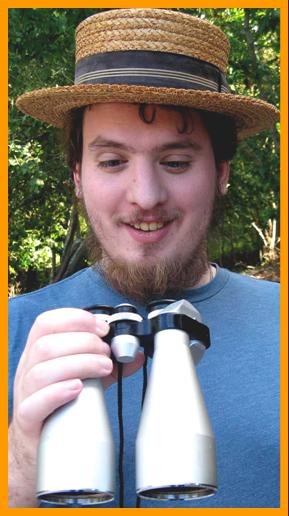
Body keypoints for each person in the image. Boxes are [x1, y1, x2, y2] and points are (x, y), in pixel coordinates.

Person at [9, 8, 280, 509]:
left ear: (221, 173)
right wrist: (23, 459)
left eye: (175, 162)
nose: (146, 195)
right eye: (112, 161)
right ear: (77, 175)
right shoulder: (13, 330)